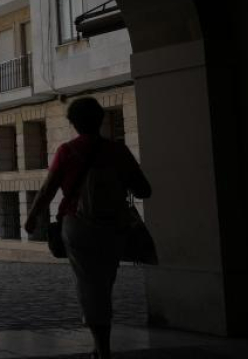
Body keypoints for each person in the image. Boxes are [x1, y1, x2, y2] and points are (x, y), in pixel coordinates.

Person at [25, 97, 151, 359]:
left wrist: (33, 215)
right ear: (101, 119)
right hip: (114, 225)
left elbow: (48, 188)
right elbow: (143, 189)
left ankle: (102, 348)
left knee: (89, 285)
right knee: (104, 282)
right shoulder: (117, 151)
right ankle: (101, 344)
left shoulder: (68, 151)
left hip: (78, 225)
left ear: (73, 123)